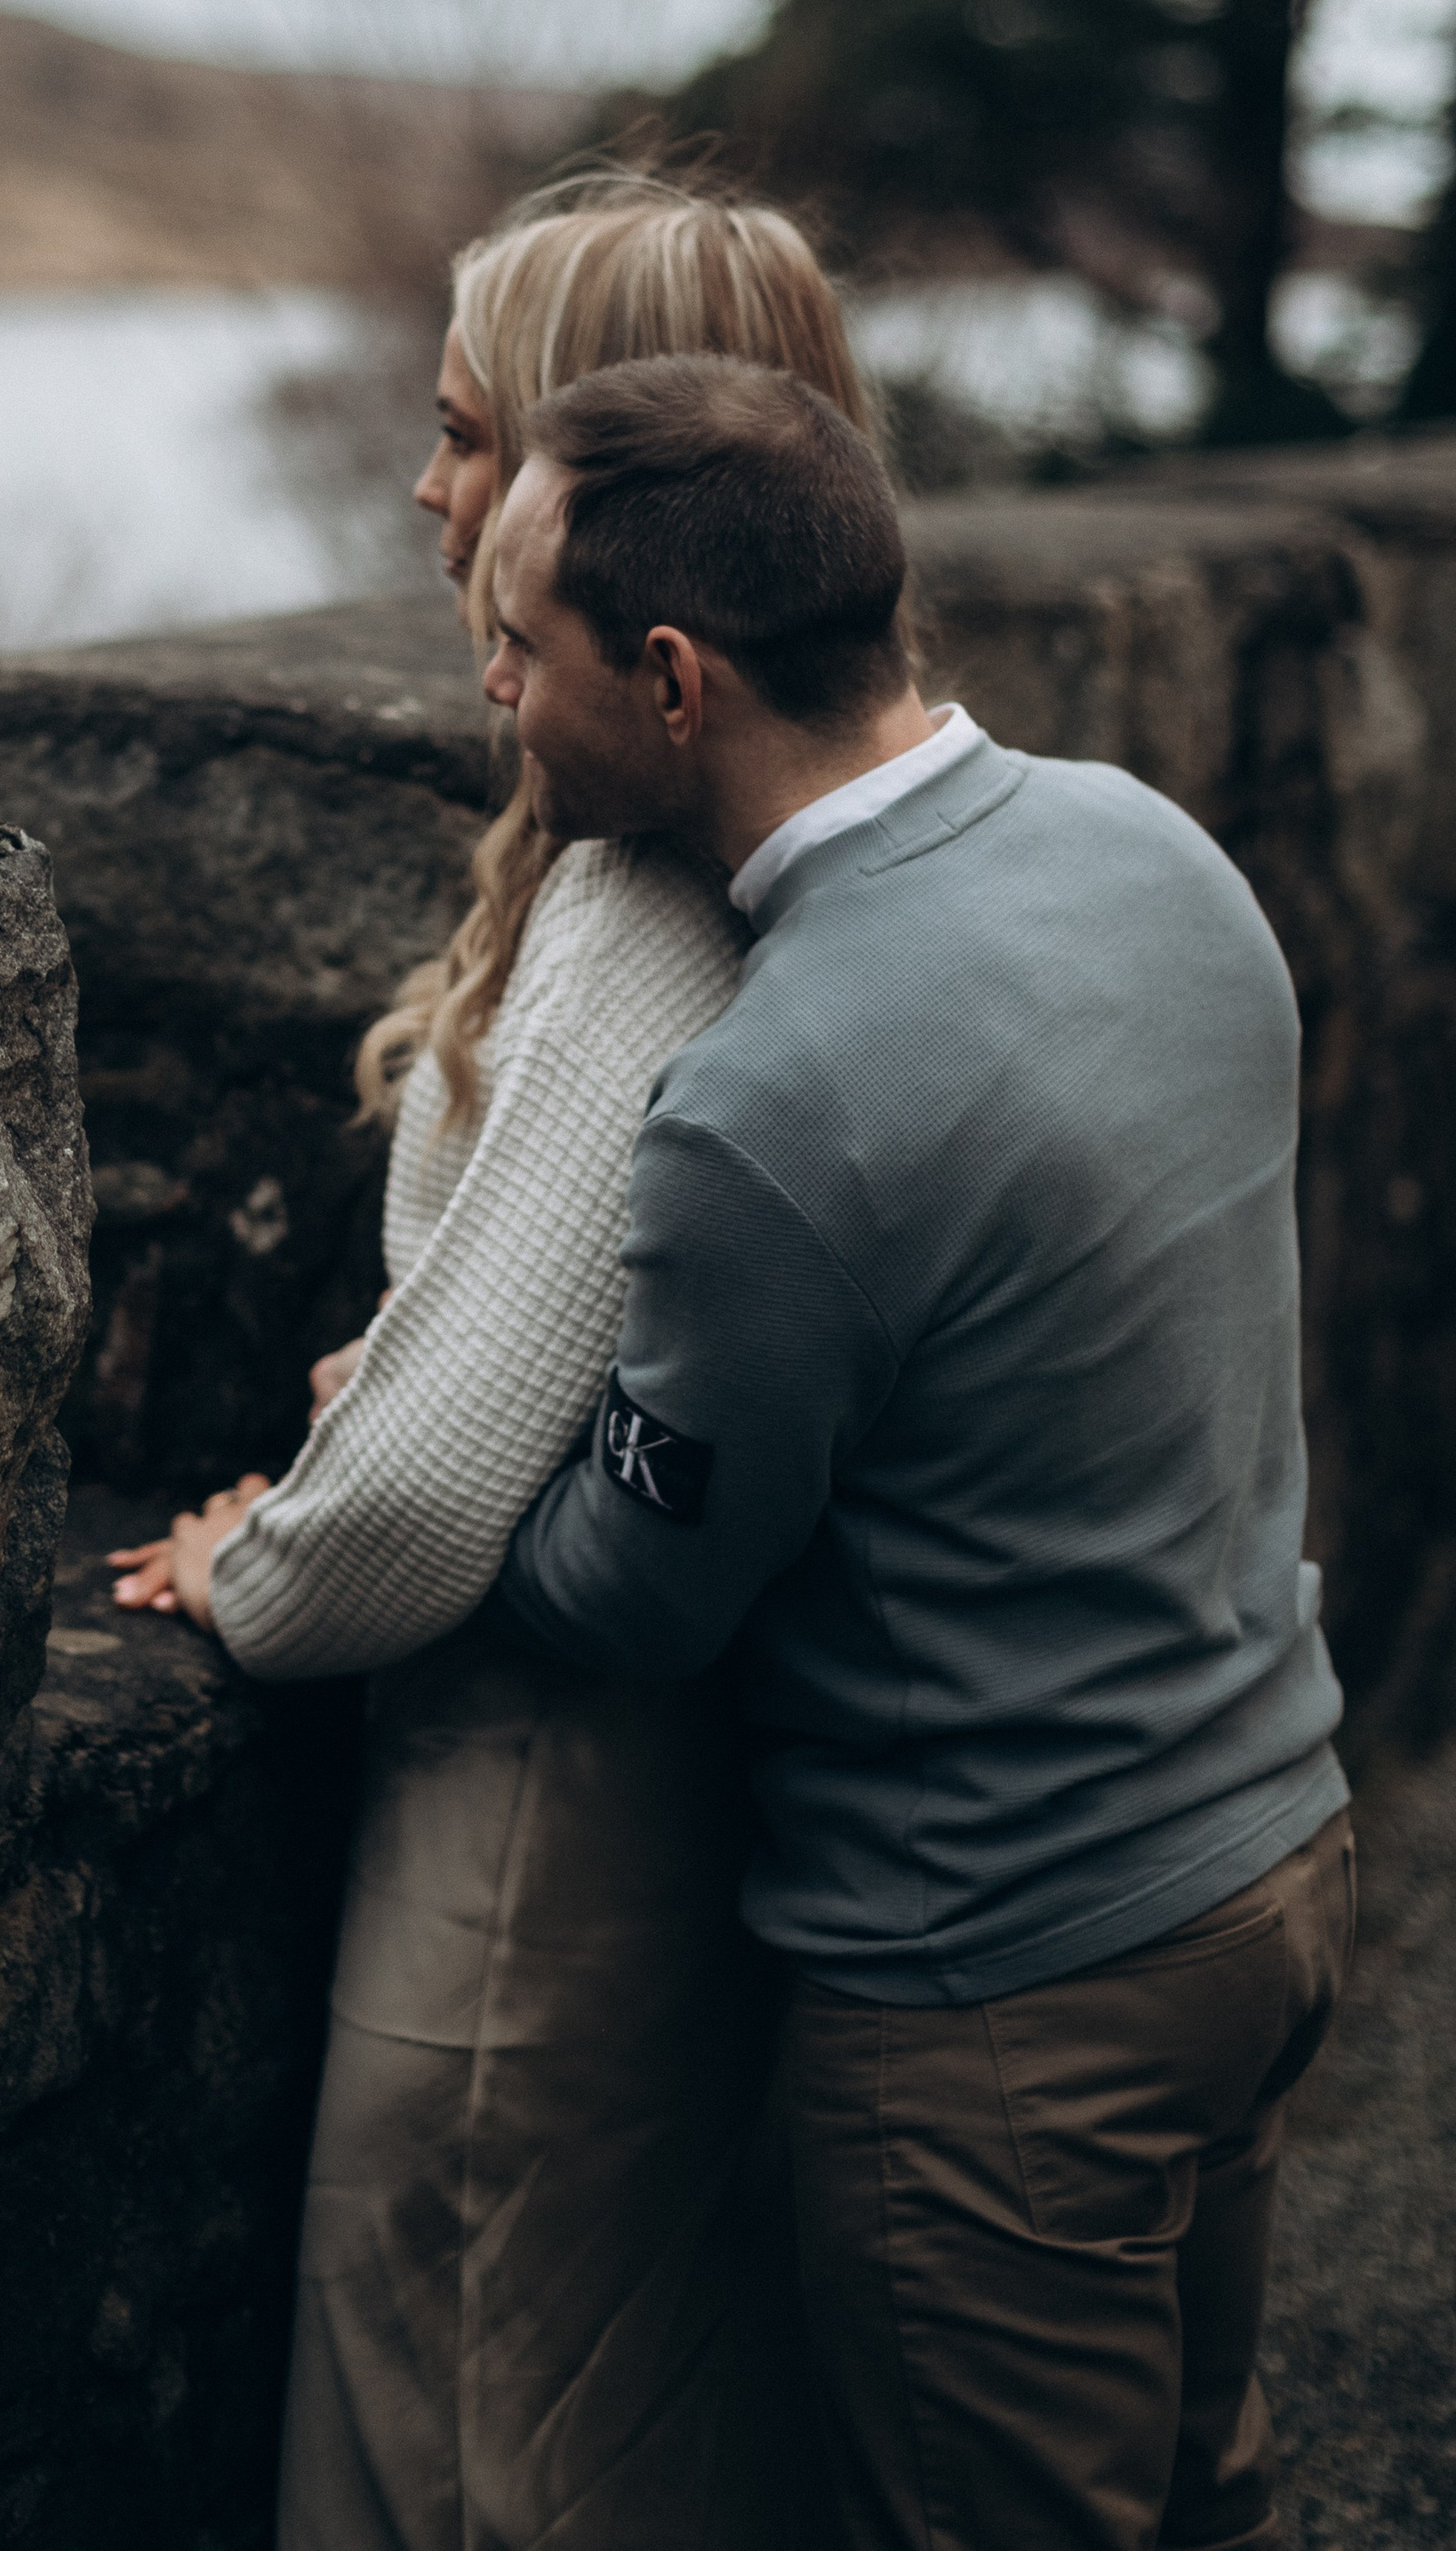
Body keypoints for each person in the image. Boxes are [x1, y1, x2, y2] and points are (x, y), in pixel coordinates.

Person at [481, 349, 1353, 2551]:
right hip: (1268, 1863)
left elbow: (632, 1592)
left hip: (1005, 1995)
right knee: (1205, 2499)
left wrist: (425, 1461)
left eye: (518, 641)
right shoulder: (1152, 846)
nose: (488, 689)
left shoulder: (775, 1108)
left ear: (670, 680)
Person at [109, 172, 874, 2551]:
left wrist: (261, 1570)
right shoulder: (743, 820)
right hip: (651, 1790)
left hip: (540, 1827)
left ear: (603, 486)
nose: (428, 495)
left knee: (460, 2424)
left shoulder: (642, 900)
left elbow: (438, 1500)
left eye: (468, 437)